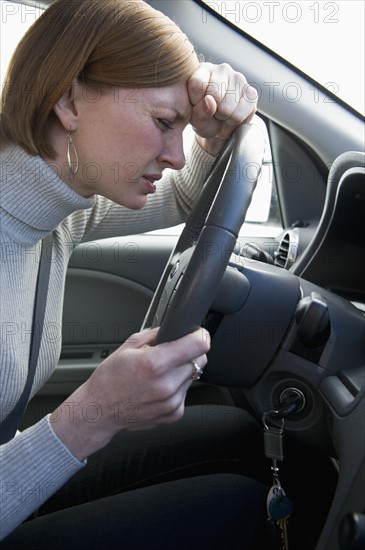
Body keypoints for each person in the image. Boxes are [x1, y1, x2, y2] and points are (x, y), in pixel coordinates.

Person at [0, 0, 268, 547]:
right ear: (68, 101)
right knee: (234, 508)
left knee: (239, 433)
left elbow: (186, 196)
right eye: (164, 123)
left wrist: (212, 134)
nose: (175, 154)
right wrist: (93, 414)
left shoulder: (58, 209)